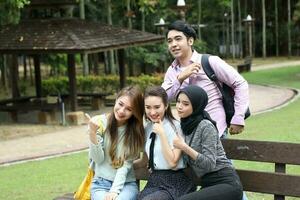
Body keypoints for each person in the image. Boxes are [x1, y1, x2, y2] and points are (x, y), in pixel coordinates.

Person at [161, 20, 249, 137]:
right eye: (170, 41)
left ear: (190, 40)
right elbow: (163, 98)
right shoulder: (172, 71)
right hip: (188, 134)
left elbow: (240, 83)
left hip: (215, 131)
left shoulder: (210, 61)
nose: (173, 44)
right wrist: (180, 78)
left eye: (178, 39)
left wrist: (238, 117)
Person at [173, 85, 243, 200]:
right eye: (178, 102)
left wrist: (184, 147)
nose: (179, 107)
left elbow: (209, 164)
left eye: (185, 104)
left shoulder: (206, 126)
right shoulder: (184, 127)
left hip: (226, 183)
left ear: (196, 106)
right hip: (208, 185)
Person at [135, 86, 195, 200]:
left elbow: (173, 163)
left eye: (157, 107)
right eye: (148, 107)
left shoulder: (176, 127)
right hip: (155, 180)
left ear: (166, 105)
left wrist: (162, 134)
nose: (152, 112)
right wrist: (125, 166)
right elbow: (145, 160)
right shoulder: (148, 128)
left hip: (175, 181)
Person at [86, 86, 145, 200]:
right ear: (116, 100)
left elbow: (124, 166)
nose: (122, 111)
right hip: (100, 184)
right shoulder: (99, 123)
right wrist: (93, 134)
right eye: (120, 104)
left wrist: (114, 191)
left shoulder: (134, 132)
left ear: (135, 112)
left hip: (126, 185)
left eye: (129, 109)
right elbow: (98, 159)